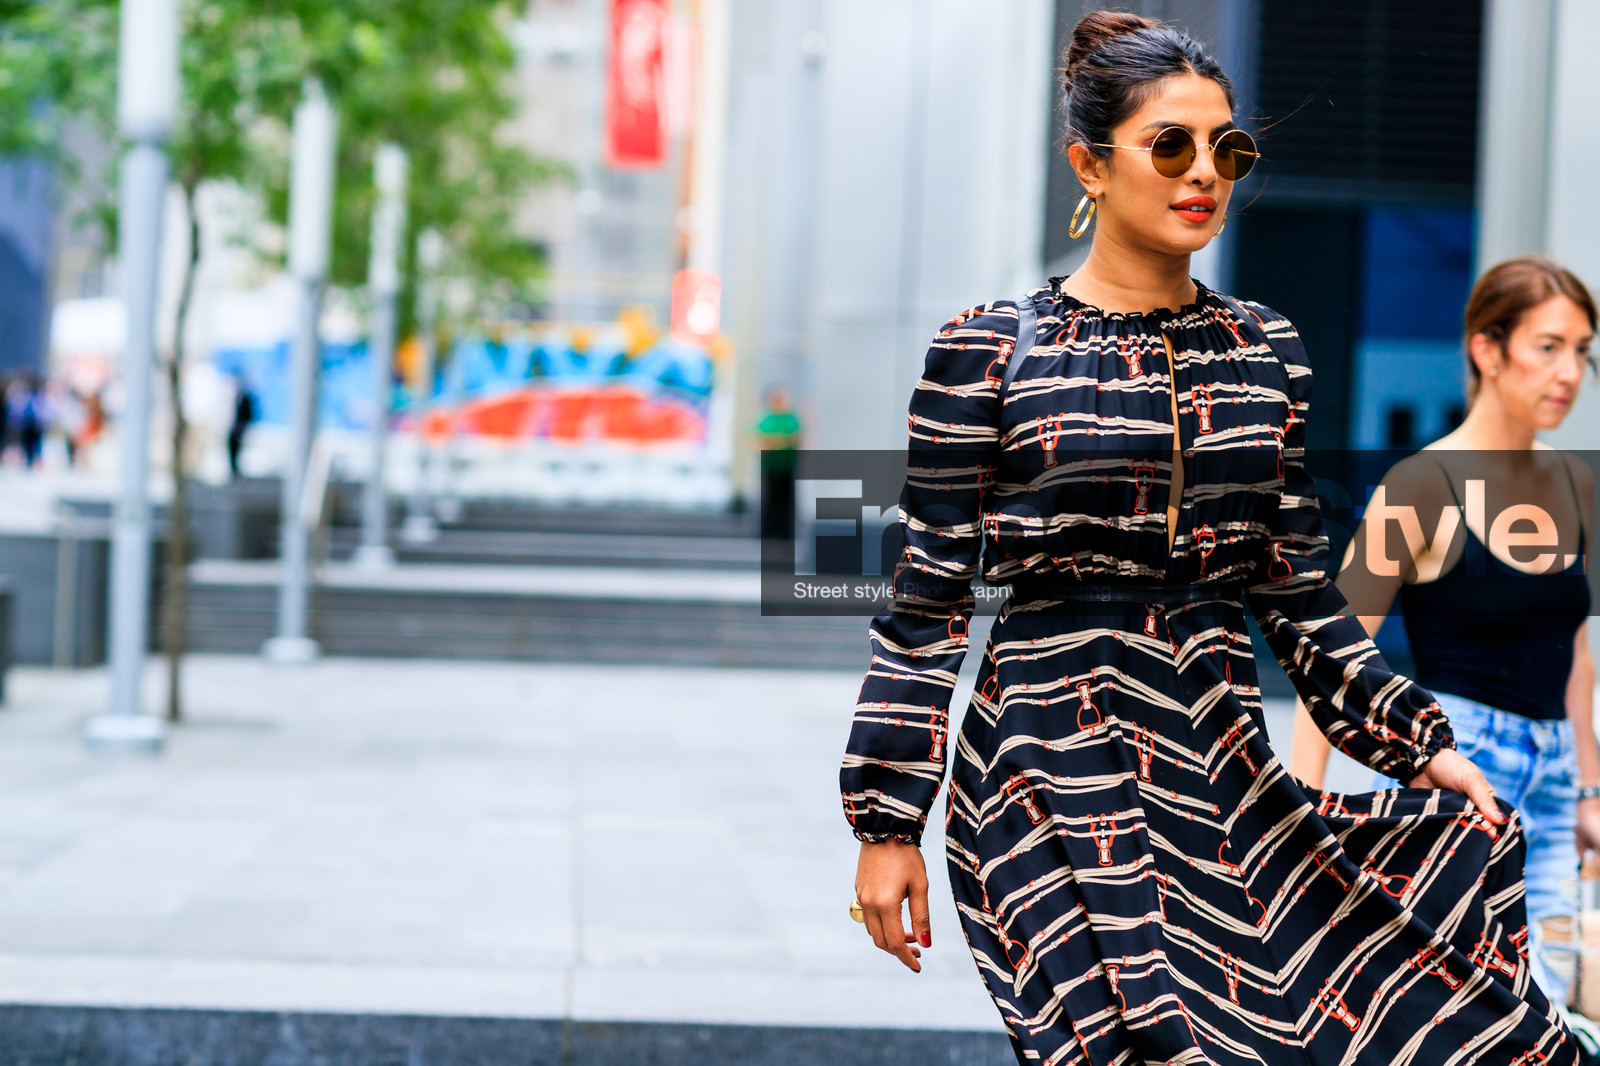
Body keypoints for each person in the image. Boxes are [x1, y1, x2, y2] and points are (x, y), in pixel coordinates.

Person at [839, 11, 1577, 1064]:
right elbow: (922, 608)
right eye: (1170, 146)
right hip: (1050, 760)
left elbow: (1297, 591)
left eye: (1228, 149)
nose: (1205, 174)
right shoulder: (985, 351)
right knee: (1145, 1043)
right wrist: (884, 822)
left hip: (1211, 753)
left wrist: (1416, 742)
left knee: (1420, 1020)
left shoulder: (1263, 350)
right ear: (1086, 165)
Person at [1289, 256, 1598, 1010]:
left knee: (1554, 1009)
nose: (1570, 372)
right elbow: (1333, 661)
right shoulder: (1422, 487)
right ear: (1487, 350)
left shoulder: (1577, 481)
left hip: (1555, 782)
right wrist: (1300, 818)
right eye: (1548, 346)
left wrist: (1590, 788)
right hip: (1458, 771)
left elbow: (1576, 654)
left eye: (1583, 352)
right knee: (1456, 1012)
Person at [755, 385, 802, 539]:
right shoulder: (766, 419)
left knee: (786, 501)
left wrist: (777, 441)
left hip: (788, 466)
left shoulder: (791, 419)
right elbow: (761, 442)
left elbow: (796, 439)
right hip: (770, 466)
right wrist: (782, 441)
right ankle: (767, 531)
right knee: (769, 500)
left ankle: (785, 532)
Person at [227, 372, 256, 479]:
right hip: (234, 427)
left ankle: (237, 470)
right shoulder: (235, 397)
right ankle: (233, 469)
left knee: (238, 448)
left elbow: (249, 413)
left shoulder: (247, 398)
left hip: (241, 426)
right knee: (232, 447)